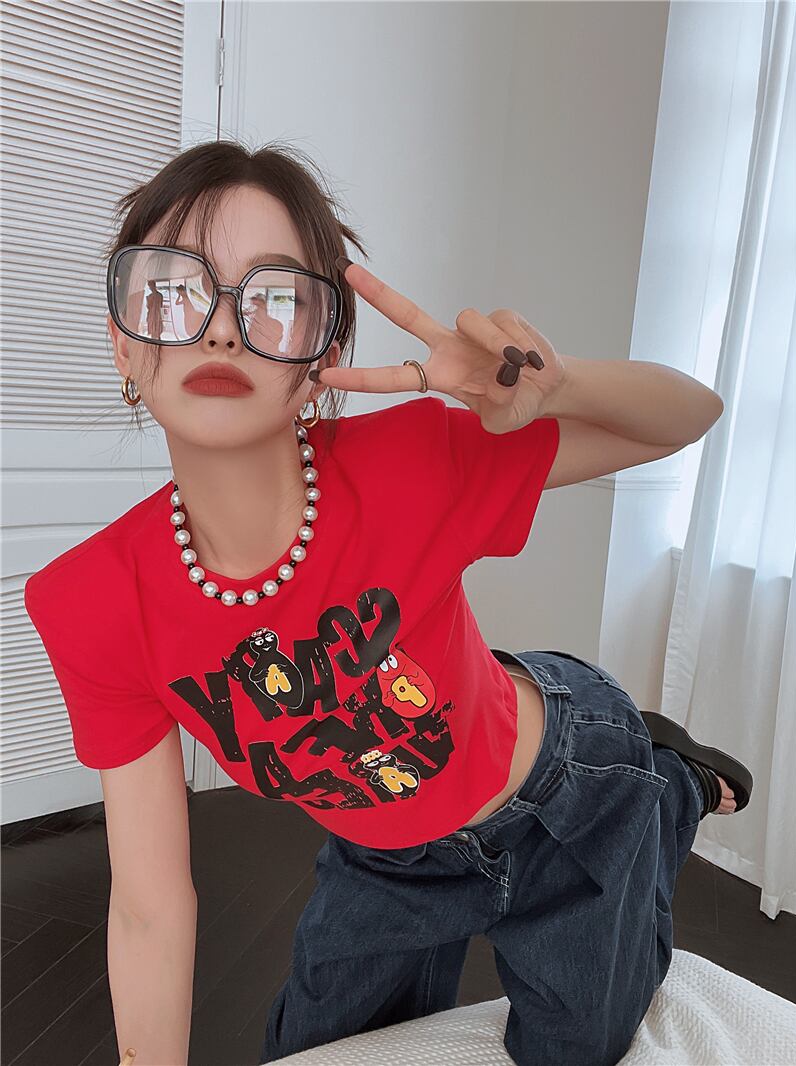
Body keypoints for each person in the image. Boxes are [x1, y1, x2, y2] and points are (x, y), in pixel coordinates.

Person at [23, 140, 752, 1066]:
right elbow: (148, 903)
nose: (220, 330)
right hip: (387, 850)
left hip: (564, 792)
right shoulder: (95, 602)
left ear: (322, 354)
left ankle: (667, 782)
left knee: (578, 1049)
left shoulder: (411, 463)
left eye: (273, 298)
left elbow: (690, 416)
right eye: (174, 290)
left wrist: (558, 386)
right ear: (124, 340)